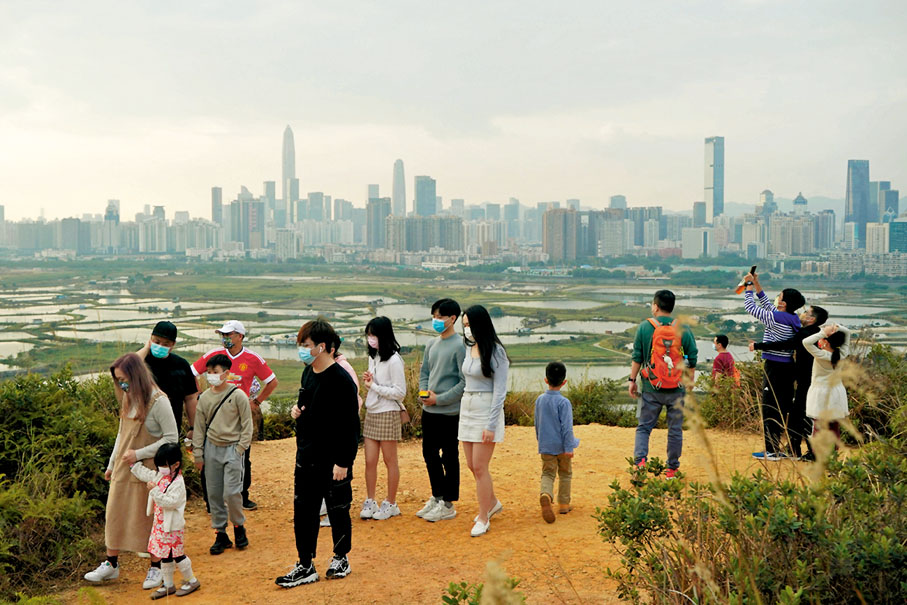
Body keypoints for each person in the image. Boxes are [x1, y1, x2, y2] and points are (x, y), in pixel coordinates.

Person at [275, 320, 360, 588]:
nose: (301, 349)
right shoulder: (308, 373)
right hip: (307, 456)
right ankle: (305, 564)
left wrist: (344, 462)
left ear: (321, 346)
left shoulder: (342, 380)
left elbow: (351, 426)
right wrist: (297, 412)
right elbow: (306, 404)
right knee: (304, 511)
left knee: (338, 509)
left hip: (333, 460)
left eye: (306, 344)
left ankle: (341, 558)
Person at [84, 353, 178, 590]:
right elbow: (121, 434)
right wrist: (111, 464)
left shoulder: (159, 401)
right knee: (114, 513)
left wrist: (139, 453)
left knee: (147, 519)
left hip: (147, 471)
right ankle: (111, 563)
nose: (122, 385)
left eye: (124, 380)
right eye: (118, 380)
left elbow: (171, 439)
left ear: (136, 376)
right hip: (123, 467)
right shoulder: (129, 397)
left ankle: (156, 567)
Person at [191, 320, 278, 511]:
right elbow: (192, 373)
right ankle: (211, 501)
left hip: (239, 415)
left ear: (240, 336)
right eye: (223, 335)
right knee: (210, 456)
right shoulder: (214, 355)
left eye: (228, 334)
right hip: (213, 414)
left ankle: (242, 497)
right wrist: (199, 395)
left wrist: (257, 402)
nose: (225, 338)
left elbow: (272, 381)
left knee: (242, 456)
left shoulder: (252, 358)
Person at [628, 290, 698, 479]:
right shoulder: (682, 328)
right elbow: (692, 357)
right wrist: (690, 380)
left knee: (644, 427)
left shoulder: (644, 327)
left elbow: (637, 357)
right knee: (675, 430)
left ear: (656, 306)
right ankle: (672, 470)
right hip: (677, 388)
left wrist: (632, 381)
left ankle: (640, 464)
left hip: (651, 387)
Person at [192, 354, 253, 555]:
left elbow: (247, 425)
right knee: (214, 493)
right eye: (209, 372)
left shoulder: (238, 396)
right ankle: (220, 533)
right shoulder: (204, 398)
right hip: (211, 448)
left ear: (226, 373)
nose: (211, 375)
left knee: (232, 492)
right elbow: (199, 427)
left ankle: (238, 526)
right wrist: (198, 453)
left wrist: (240, 449)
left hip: (232, 448)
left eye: (215, 372)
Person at [751, 305, 829, 461]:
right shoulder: (816, 333)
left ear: (811, 319)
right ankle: (794, 450)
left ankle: (811, 452)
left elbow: (786, 344)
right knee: (797, 415)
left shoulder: (806, 334)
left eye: (806, 312)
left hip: (808, 382)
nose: (802, 313)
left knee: (803, 416)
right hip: (811, 380)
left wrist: (759, 346)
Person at [742, 272, 805, 460]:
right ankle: (782, 447)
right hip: (787, 367)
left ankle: (771, 450)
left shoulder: (775, 318)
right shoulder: (792, 317)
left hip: (774, 368)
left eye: (780, 296)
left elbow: (750, 307)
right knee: (783, 406)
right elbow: (767, 304)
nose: (777, 298)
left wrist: (747, 286)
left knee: (770, 407)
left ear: (783, 303)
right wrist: (756, 282)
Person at [459, 305, 509, 538]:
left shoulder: (496, 351)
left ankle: (483, 516)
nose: (466, 329)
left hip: (485, 409)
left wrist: (491, 425)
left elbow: (499, 391)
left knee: (480, 467)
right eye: (464, 325)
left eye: (469, 324)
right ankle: (492, 502)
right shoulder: (469, 347)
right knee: (471, 464)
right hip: (467, 407)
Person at [130, 443, 201, 599]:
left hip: (173, 527)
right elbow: (147, 474)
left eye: (164, 465)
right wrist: (134, 466)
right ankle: (168, 584)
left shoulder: (178, 483)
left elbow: (170, 502)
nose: (160, 469)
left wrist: (154, 491)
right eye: (159, 466)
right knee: (165, 556)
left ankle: (191, 580)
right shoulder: (162, 476)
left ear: (176, 464)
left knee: (178, 555)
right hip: (161, 526)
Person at [417, 298, 466, 523]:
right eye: (434, 316)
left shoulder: (460, 346)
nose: (435, 320)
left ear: (452, 318)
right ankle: (437, 496)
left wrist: (440, 399)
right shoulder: (431, 344)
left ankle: (448, 503)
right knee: (429, 454)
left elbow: (463, 382)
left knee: (449, 456)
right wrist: (424, 393)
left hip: (450, 412)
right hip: (429, 411)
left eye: (440, 317)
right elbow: (425, 372)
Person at [359, 316, 407, 521]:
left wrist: (374, 387)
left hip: (388, 412)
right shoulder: (374, 356)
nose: (370, 339)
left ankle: (391, 502)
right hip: (372, 411)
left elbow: (400, 392)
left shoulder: (394, 360)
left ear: (383, 335)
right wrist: (370, 381)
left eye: (374, 335)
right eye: (369, 335)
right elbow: (376, 384)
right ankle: (370, 500)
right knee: (370, 460)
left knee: (389, 460)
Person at [320, 334, 362, 528]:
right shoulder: (319, 368)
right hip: (325, 432)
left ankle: (336, 511)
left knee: (339, 475)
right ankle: (325, 504)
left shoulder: (343, 369)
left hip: (340, 431)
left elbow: (351, 404)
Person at [136, 321, 199, 440]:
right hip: (142, 429)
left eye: (166, 344)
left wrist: (193, 427)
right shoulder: (141, 361)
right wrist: (146, 348)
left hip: (171, 430)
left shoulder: (181, 365)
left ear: (173, 344)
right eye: (157, 342)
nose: (160, 346)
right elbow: (126, 367)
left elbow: (190, 398)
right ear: (150, 339)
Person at [534, 361, 579, 524]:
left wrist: (540, 440)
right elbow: (567, 427)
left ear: (546, 380)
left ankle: (546, 494)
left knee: (548, 473)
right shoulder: (564, 402)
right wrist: (569, 447)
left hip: (546, 445)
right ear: (564, 382)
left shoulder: (539, 400)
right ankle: (564, 504)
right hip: (562, 446)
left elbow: (537, 423)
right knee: (565, 473)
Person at [802, 324, 851, 442]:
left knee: (819, 426)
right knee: (834, 426)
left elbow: (806, 342)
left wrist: (823, 332)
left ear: (826, 342)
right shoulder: (842, 354)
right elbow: (847, 333)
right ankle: (834, 450)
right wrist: (838, 327)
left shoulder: (821, 355)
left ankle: (818, 451)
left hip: (821, 394)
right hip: (837, 392)